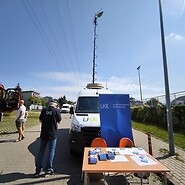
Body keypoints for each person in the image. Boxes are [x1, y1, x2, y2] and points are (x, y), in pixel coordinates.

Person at [35, 101, 62, 177]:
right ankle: (48, 169)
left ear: (49, 105)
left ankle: (38, 170)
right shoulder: (56, 111)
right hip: (52, 134)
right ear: (55, 105)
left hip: (43, 133)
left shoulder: (44, 110)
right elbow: (59, 120)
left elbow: (40, 119)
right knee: (51, 151)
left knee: (41, 151)